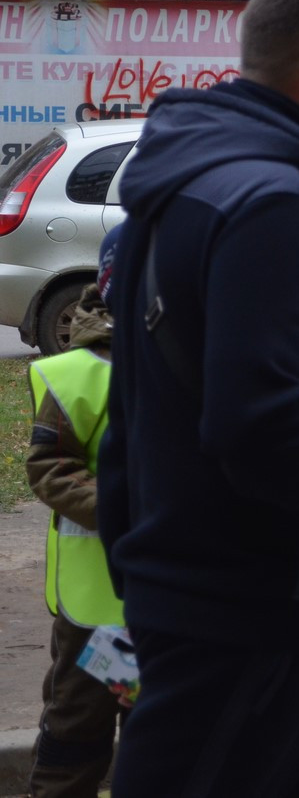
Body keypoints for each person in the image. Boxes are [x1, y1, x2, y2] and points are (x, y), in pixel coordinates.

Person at [96, 0, 299, 797]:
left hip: (249, 596)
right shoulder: (268, 203)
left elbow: (138, 404)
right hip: (250, 606)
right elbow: (255, 421)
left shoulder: (188, 184)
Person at [26, 228, 125, 798]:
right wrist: (122, 509)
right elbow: (49, 469)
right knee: (75, 731)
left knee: (157, 737)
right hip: (94, 607)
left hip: (167, 599)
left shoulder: (193, 364)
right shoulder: (75, 375)